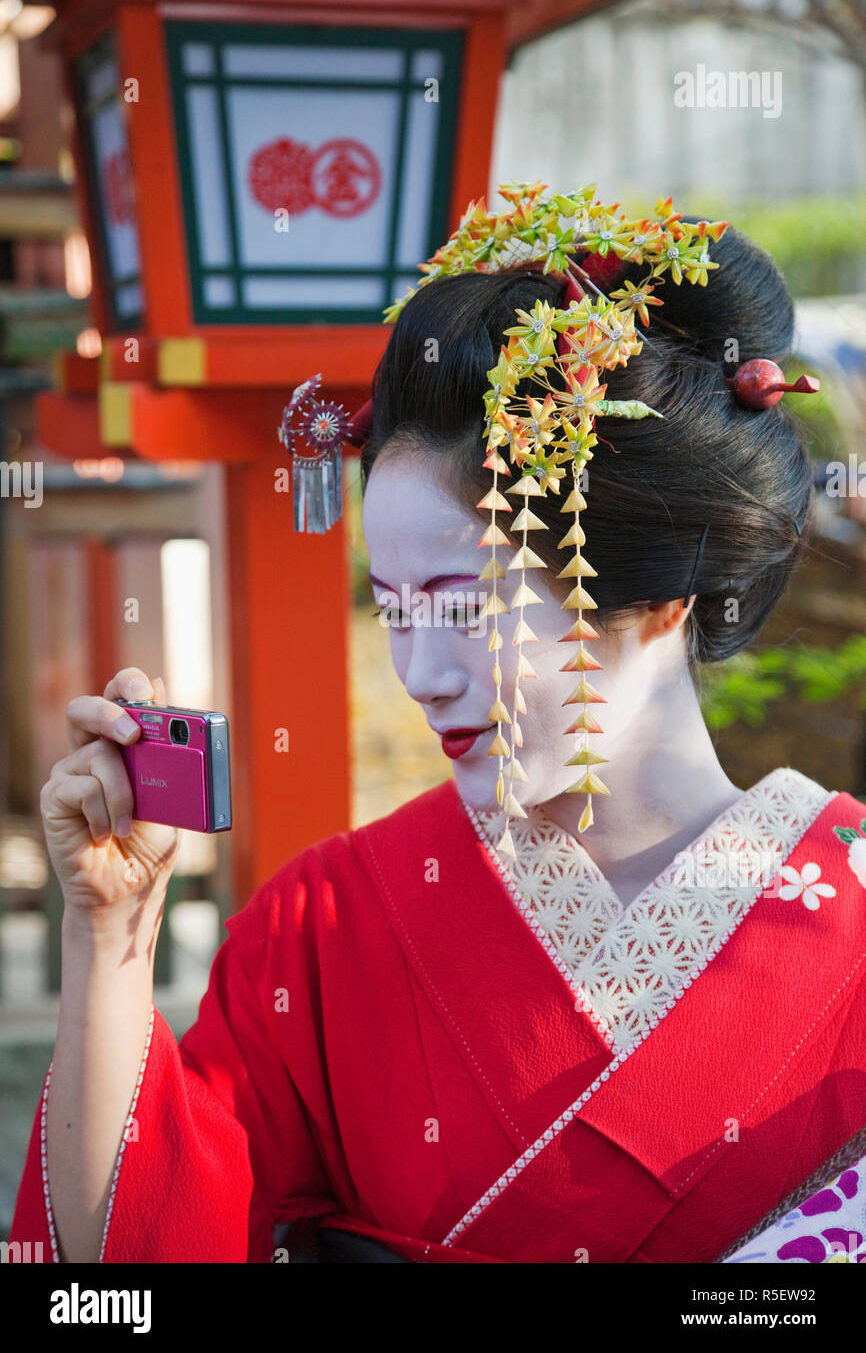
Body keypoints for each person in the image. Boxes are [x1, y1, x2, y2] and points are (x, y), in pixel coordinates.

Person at [11, 206, 866, 1265]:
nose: (416, 673)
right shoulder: (323, 929)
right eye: (393, 607)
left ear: (657, 594)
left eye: (463, 606)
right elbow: (129, 1269)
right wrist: (113, 940)